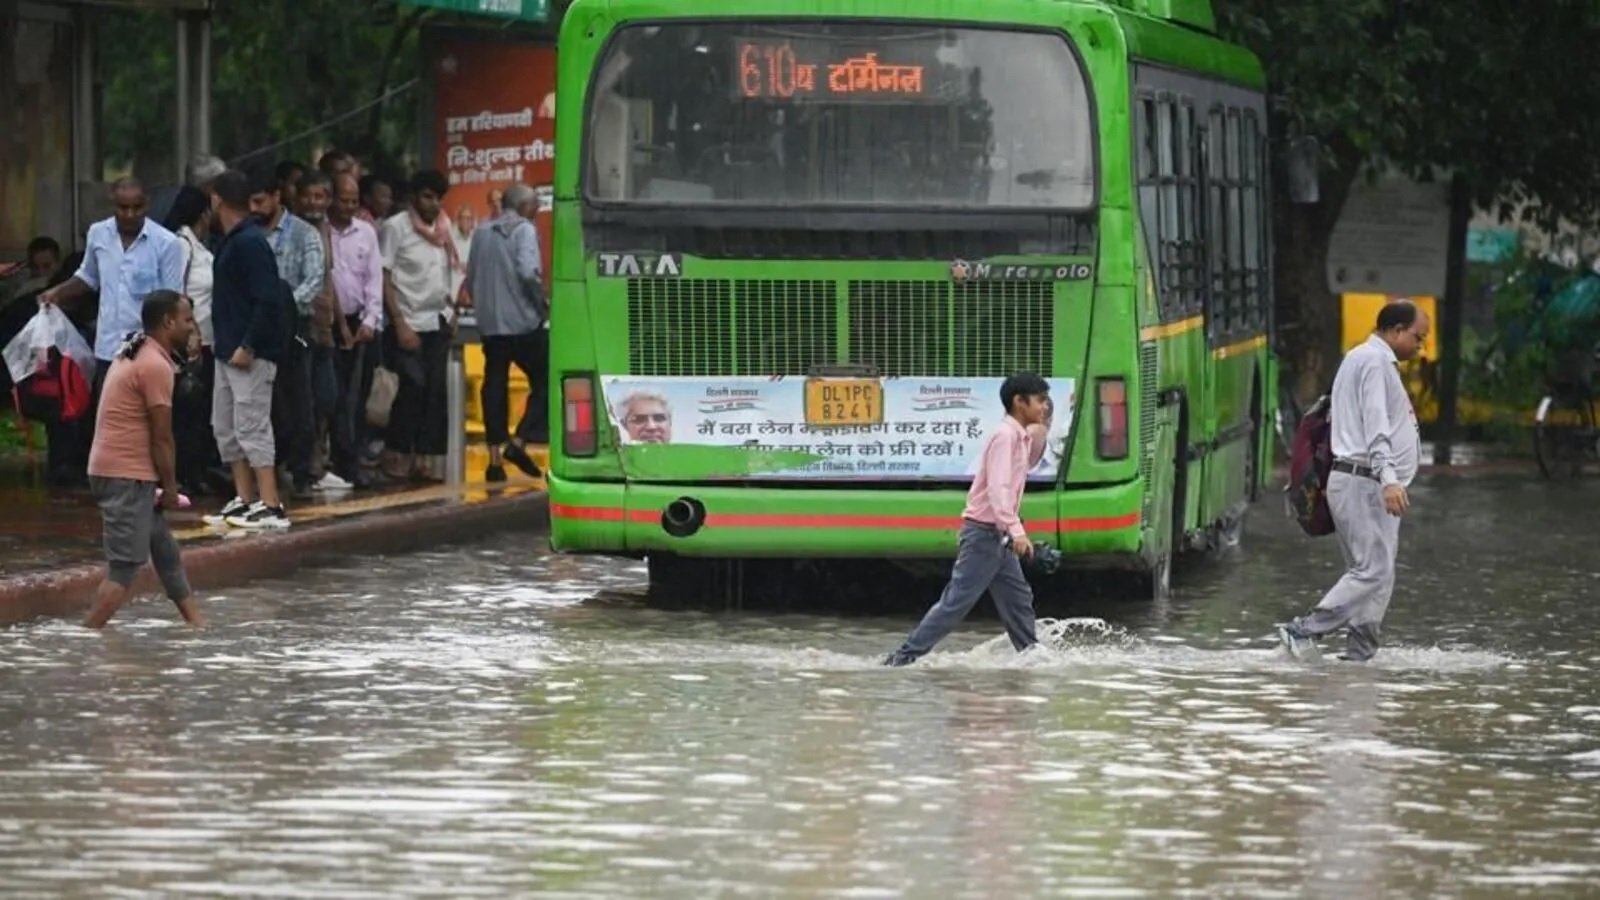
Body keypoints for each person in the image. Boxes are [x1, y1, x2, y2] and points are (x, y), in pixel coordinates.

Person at [1278, 300, 1429, 662]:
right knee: (1372, 569)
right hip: (1366, 480)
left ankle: (1359, 654)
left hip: (1367, 482)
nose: (1420, 347)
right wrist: (1390, 479)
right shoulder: (1374, 362)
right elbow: (1376, 426)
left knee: (1378, 572)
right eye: (1417, 337)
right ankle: (1303, 630)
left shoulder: (1362, 359)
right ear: (1394, 330)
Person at [883, 373, 1051, 667]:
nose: (1044, 406)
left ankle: (1031, 655)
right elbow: (999, 490)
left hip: (997, 535)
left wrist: (1011, 532)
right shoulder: (1004, 437)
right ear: (1018, 402)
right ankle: (904, 657)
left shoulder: (1020, 438)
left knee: (1018, 598)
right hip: (984, 534)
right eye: (1039, 400)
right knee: (956, 603)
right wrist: (1018, 532)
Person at [82, 290, 204, 629]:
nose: (192, 327)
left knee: (165, 553)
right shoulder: (154, 365)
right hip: (125, 476)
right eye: (187, 320)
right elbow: (162, 438)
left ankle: (198, 628)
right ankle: (86, 638)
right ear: (168, 322)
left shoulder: (138, 351)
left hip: (124, 472)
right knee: (124, 568)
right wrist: (170, 487)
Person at [207, 169, 290, 530]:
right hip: (226, 351)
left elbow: (267, 300)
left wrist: (249, 344)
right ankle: (244, 499)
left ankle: (271, 503)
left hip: (247, 353)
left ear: (217, 200)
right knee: (225, 426)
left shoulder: (250, 242)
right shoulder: (232, 240)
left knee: (253, 425)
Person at [40, 177, 184, 376]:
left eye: (137, 207)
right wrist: (58, 292)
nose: (130, 214)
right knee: (109, 407)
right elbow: (89, 277)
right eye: (123, 208)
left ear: (148, 204)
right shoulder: (98, 234)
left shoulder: (167, 243)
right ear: (112, 204)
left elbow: (173, 300)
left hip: (148, 352)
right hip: (108, 350)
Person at [251, 165, 325, 498]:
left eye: (259, 201)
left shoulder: (303, 233)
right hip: (256, 326)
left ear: (277, 197)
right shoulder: (248, 235)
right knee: (263, 401)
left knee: (300, 401)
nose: (254, 209)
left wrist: (284, 304)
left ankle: (301, 473)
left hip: (294, 326)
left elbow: (314, 280)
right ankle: (268, 466)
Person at [465, 184, 547, 482]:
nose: (537, 210)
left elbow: (471, 277)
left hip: (491, 326)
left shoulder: (482, 232)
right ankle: (520, 441)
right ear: (524, 206)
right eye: (535, 205)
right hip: (523, 324)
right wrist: (541, 303)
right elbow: (528, 272)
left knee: (494, 387)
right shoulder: (524, 230)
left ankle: (494, 461)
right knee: (548, 379)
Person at [379, 170, 455, 482]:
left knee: (435, 391)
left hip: (437, 318)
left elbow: (446, 271)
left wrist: (452, 311)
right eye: (427, 196)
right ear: (414, 197)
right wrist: (399, 323)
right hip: (406, 320)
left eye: (438, 198)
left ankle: (424, 459)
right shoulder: (396, 227)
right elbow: (384, 274)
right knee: (413, 386)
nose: (433, 203)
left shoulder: (444, 227)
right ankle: (396, 451)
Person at [326, 172, 384, 488]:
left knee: (356, 398)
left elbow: (375, 279)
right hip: (329, 325)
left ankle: (352, 460)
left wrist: (370, 321)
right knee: (332, 396)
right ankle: (337, 460)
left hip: (358, 323)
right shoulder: (321, 231)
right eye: (343, 200)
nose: (348, 207)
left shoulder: (366, 233)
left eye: (353, 201)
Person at [162, 186, 221, 495]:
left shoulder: (199, 244)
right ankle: (183, 473)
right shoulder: (182, 244)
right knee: (186, 411)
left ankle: (195, 471)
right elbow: (178, 291)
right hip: (190, 343)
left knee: (198, 412)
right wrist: (192, 331)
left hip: (207, 340)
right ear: (204, 213)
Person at [294, 169, 346, 490]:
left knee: (326, 398)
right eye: (309, 196)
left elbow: (329, 280)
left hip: (323, 327)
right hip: (301, 325)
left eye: (320, 196)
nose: (314, 202)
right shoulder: (294, 231)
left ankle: (317, 461)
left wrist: (339, 322)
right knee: (306, 401)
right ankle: (305, 469)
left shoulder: (324, 230)